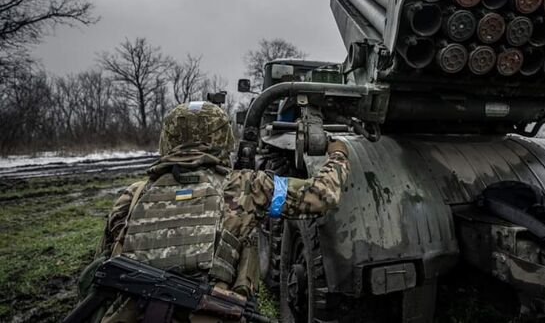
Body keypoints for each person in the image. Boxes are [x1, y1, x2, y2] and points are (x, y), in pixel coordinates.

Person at [79, 100, 350, 322]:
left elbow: (98, 269)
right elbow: (321, 195)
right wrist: (338, 154)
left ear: (167, 140)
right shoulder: (247, 187)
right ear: (223, 139)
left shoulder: (132, 196)